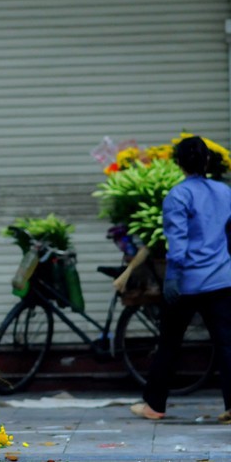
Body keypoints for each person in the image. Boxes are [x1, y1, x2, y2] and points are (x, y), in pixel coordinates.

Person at [130, 136, 231, 423]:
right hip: (222, 279)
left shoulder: (178, 196)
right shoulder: (225, 192)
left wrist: (172, 279)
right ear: (208, 161)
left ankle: (154, 406)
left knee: (170, 343)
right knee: (227, 344)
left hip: (188, 282)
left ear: (177, 162)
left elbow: (178, 244)